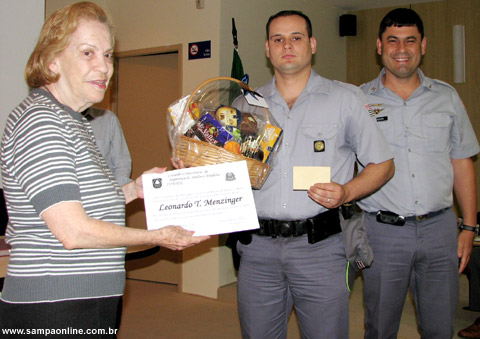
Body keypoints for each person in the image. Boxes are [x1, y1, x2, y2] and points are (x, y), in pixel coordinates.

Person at [0, 2, 209, 337]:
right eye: (87, 53)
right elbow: (73, 231)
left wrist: (136, 189)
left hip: (88, 296)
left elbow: (84, 200)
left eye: (108, 55)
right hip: (54, 305)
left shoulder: (75, 122)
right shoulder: (41, 122)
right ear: (52, 60)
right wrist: (158, 237)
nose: (104, 67)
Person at [234, 10, 394, 338]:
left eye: (296, 37)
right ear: (267, 48)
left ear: (313, 44)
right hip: (258, 251)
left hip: (320, 248)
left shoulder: (347, 99)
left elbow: (383, 164)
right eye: (278, 39)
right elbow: (225, 171)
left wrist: (347, 192)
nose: (287, 45)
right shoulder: (246, 105)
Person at [357, 8, 479, 339]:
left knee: (440, 326)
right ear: (379, 46)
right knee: (380, 326)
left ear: (423, 45)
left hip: (440, 231)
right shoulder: (356, 101)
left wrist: (469, 226)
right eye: (392, 40)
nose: (401, 49)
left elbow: (462, 161)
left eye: (410, 40)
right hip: (382, 232)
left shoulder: (446, 96)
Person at [82, 107, 132, 185]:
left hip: (103, 191)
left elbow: (122, 162)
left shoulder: (108, 119)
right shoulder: (58, 120)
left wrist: (117, 191)